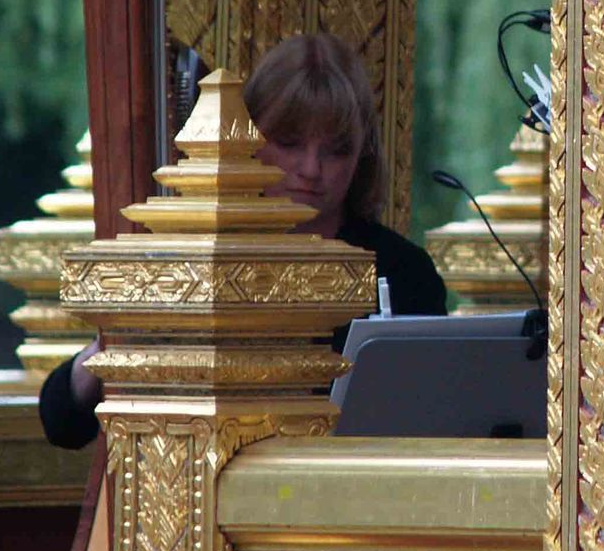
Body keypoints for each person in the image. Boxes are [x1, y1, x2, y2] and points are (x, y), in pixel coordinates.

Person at [39, 32, 448, 449]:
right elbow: (61, 423)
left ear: (363, 153)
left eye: (336, 150)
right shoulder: (202, 260)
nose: (311, 168)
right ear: (246, 140)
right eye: (289, 144)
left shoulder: (404, 272)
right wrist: (121, 342)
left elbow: (438, 417)